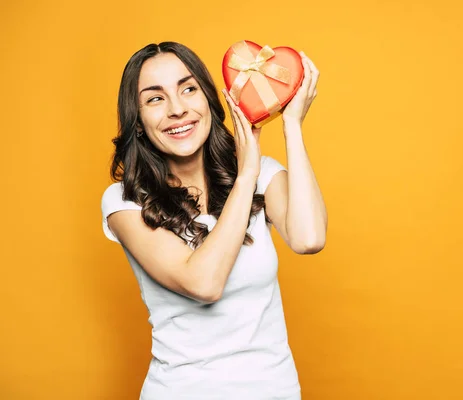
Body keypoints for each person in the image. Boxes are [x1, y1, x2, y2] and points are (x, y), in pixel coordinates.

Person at [100, 42, 327, 400]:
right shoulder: (124, 202)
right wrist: (246, 174)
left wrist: (292, 126)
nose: (178, 110)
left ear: (210, 99)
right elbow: (204, 283)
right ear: (139, 121)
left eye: (188, 89)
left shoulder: (262, 175)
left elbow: (309, 238)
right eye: (155, 99)